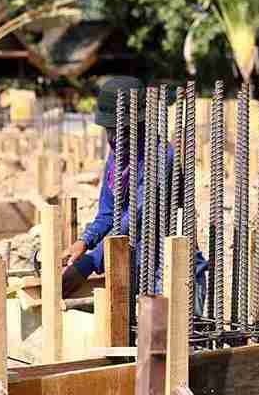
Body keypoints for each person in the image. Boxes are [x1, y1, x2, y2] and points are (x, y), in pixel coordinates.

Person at [63, 76, 208, 314]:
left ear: (141, 125)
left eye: (120, 130)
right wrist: (83, 241)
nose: (112, 138)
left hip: (173, 273)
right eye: (109, 129)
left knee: (172, 345)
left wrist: (89, 263)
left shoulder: (162, 158)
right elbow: (108, 213)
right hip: (139, 268)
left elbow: (134, 219)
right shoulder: (117, 159)